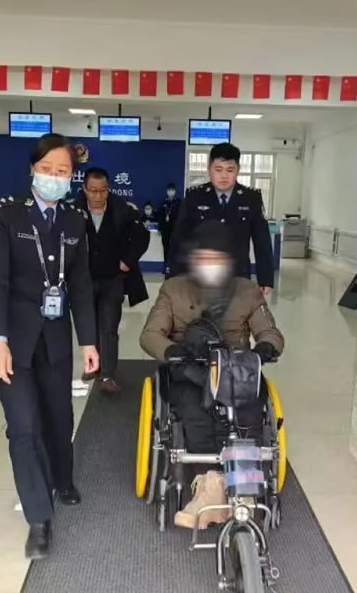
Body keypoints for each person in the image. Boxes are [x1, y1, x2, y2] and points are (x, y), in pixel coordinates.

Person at [0, 133, 99, 560]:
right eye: (47, 169)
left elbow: (81, 285)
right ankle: (39, 519)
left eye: (63, 172)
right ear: (32, 170)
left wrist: (89, 341)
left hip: (54, 337)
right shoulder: (5, 214)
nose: (54, 177)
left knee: (59, 416)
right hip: (8, 339)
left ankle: (63, 479)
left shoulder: (74, 219)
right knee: (24, 426)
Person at [139, 220, 284, 529]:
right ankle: (209, 488)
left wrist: (265, 348)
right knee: (194, 410)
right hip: (190, 367)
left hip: (235, 369)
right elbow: (150, 334)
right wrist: (171, 351)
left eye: (217, 257)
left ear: (229, 259)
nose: (210, 263)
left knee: (249, 408)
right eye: (204, 257)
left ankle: (244, 488)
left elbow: (270, 332)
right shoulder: (174, 289)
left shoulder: (247, 291)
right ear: (193, 258)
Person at [74, 167, 150, 396]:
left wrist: (127, 261)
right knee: (89, 327)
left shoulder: (122, 209)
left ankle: (107, 375)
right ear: (84, 189)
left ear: (108, 189)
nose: (98, 196)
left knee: (108, 326)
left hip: (112, 280)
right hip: (84, 281)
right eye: (93, 191)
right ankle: (94, 366)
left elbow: (142, 236)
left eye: (103, 191)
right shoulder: (73, 210)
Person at [169, 144, 274, 294]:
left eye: (230, 170)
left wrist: (266, 278)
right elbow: (180, 239)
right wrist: (174, 276)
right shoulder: (195, 197)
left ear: (238, 169)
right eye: (218, 170)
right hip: (200, 278)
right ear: (209, 169)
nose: (224, 176)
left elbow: (262, 241)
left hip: (238, 276)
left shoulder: (251, 198)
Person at [155, 182, 181, 271]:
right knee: (166, 246)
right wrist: (160, 228)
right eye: (169, 190)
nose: (170, 192)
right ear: (166, 191)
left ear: (175, 191)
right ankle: (166, 265)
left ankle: (175, 265)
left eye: (172, 190)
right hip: (165, 229)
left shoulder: (178, 202)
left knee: (175, 246)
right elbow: (159, 216)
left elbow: (181, 215)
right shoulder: (163, 203)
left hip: (175, 228)